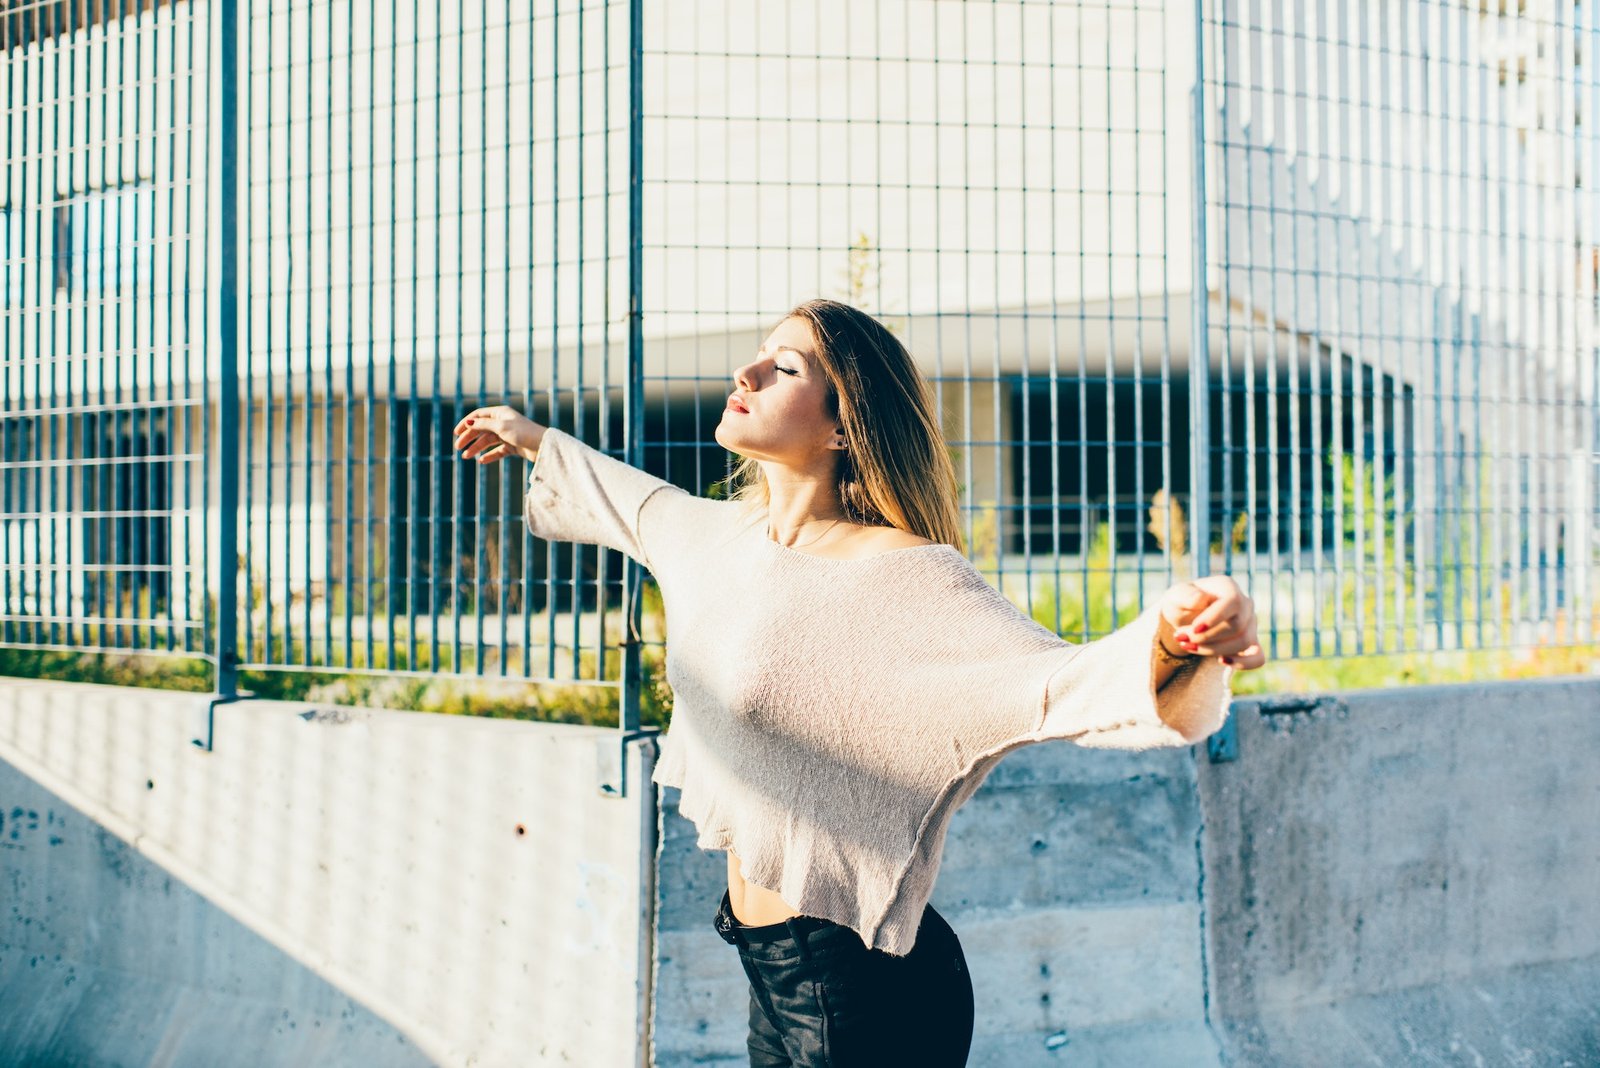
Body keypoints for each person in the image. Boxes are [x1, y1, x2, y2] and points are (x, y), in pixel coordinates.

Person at [452, 298, 1264, 1067]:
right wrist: (532, 439)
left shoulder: (907, 579)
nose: (749, 374)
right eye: (758, 357)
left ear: (843, 425)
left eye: (787, 367)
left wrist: (1185, 637)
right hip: (767, 965)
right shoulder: (716, 537)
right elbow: (632, 501)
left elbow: (1059, 681)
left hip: (857, 988)